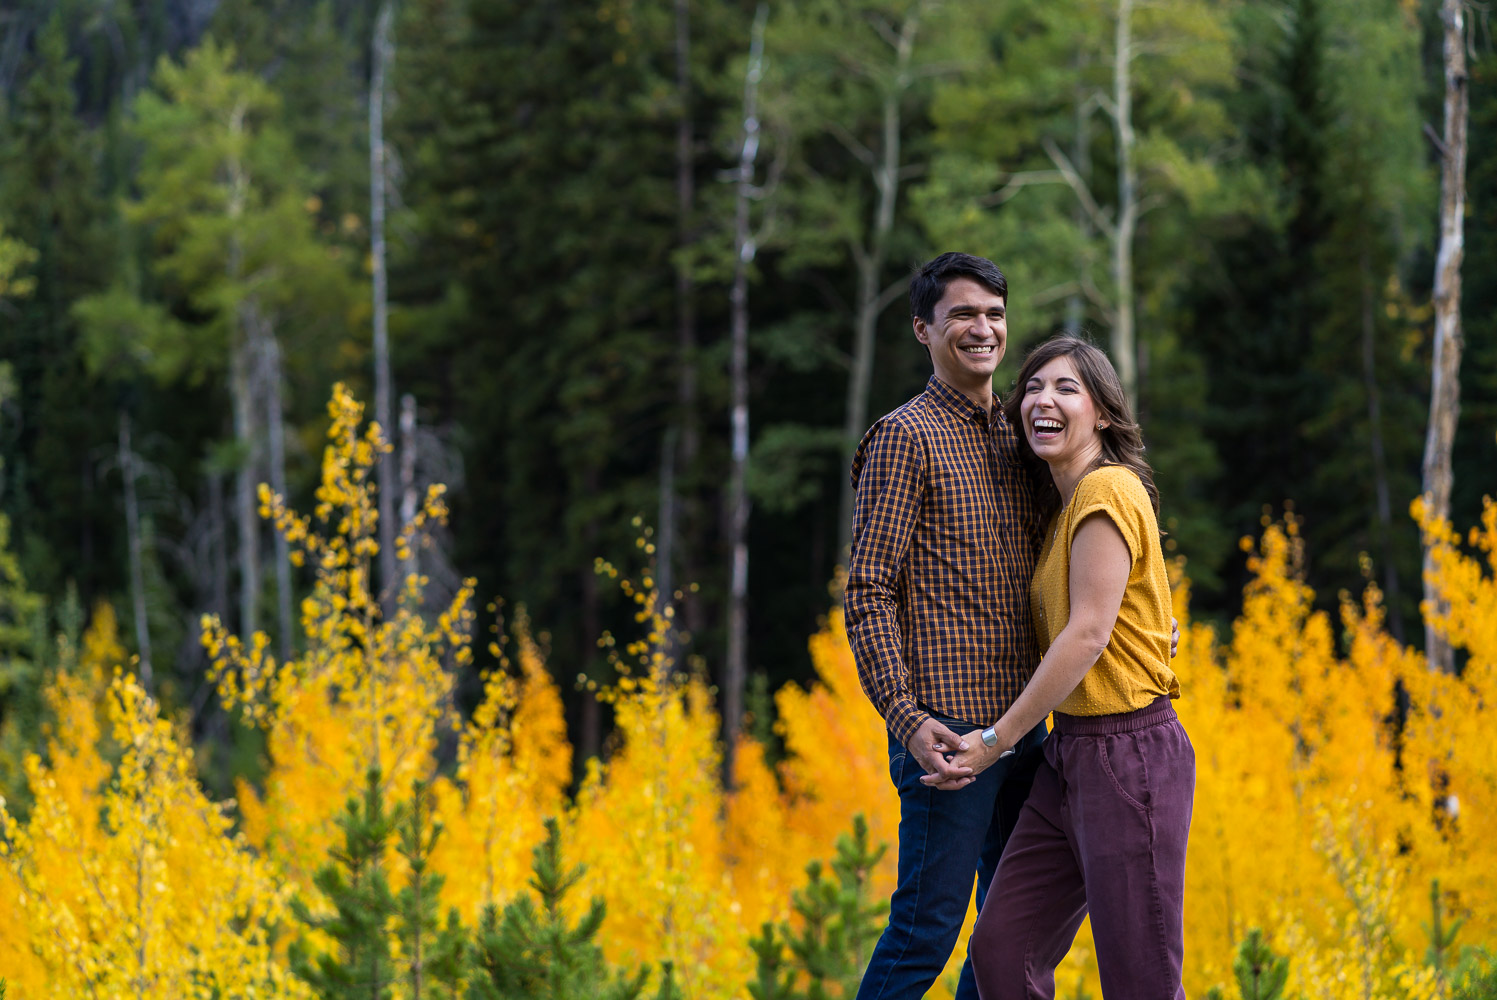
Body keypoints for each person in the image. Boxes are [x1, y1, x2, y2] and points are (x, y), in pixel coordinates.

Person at [927, 334, 1194, 1000]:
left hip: (1127, 753)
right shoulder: (1066, 508)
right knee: (1001, 948)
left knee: (1140, 979)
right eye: (1034, 388)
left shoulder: (1104, 490)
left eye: (1066, 388)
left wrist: (994, 741)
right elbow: (1120, 610)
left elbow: (1085, 637)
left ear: (1101, 412)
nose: (1043, 400)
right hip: (1071, 757)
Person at [844, 251, 1050, 1000]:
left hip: (1023, 725)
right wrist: (905, 719)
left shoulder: (1025, 432)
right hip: (948, 731)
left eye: (994, 313)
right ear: (922, 329)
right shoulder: (905, 437)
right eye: (962, 313)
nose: (982, 328)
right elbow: (867, 592)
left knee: (1012, 932)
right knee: (926, 931)